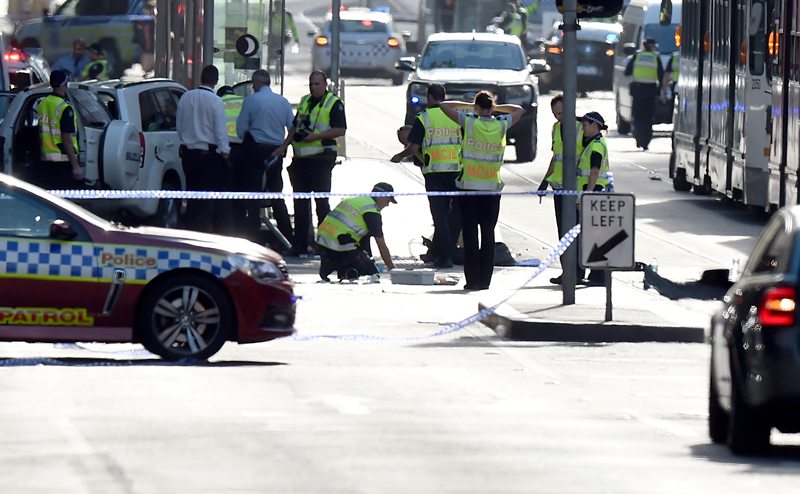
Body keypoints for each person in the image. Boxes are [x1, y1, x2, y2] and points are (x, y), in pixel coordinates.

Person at [439, 91, 523, 290]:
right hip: (491, 189)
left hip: (468, 188)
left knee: (469, 234)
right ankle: (485, 281)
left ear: (476, 107)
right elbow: (519, 109)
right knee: (488, 234)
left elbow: (444, 105)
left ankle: (472, 280)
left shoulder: (469, 122)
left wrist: (471, 106)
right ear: (492, 107)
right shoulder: (500, 124)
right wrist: (496, 107)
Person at [273, 70, 347, 258]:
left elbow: (340, 129)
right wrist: (284, 146)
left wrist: (317, 136)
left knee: (321, 204)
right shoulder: (305, 101)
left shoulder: (333, 103)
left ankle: (324, 245)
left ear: (325, 84)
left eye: (317, 84)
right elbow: (295, 127)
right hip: (301, 161)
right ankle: (300, 245)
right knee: (300, 204)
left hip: (321, 160)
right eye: (311, 84)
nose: (313, 87)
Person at [391, 83, 462, 269]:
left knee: (440, 217)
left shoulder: (424, 118)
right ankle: (440, 253)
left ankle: (444, 257)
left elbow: (413, 148)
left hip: (435, 174)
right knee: (452, 216)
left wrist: (399, 156)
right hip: (456, 171)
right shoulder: (455, 116)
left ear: (429, 97)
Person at [235, 69, 295, 243]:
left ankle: (252, 236)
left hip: (255, 150)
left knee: (253, 193)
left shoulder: (251, 100)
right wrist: (283, 146)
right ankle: (286, 235)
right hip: (276, 151)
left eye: (253, 83)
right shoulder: (282, 102)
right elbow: (293, 127)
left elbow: (240, 130)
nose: (253, 86)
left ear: (257, 82)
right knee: (276, 192)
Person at [176, 64, 232, 234]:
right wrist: (225, 152)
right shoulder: (216, 101)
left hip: (188, 153)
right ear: (215, 81)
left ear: (201, 78)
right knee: (207, 197)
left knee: (192, 194)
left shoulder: (186, 97)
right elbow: (220, 131)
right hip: (208, 155)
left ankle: (192, 229)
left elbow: (179, 125)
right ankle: (204, 232)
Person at [537, 94, 583, 285]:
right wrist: (545, 180)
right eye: (555, 114)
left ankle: (578, 272)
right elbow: (556, 157)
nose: (559, 117)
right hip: (559, 188)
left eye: (562, 113)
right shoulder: (556, 128)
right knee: (563, 232)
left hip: (576, 188)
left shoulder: (582, 127)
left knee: (577, 232)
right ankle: (567, 272)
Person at [317, 182, 398, 281]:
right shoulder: (371, 210)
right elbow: (381, 245)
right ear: (381, 196)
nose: (387, 205)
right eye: (388, 201)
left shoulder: (356, 199)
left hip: (323, 241)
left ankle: (332, 264)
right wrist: (393, 270)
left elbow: (364, 239)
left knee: (358, 257)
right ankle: (340, 265)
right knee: (373, 273)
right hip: (340, 244)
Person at [576, 111, 611, 286]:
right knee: (594, 234)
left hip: (594, 194)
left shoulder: (596, 145)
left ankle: (598, 276)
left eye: (585, 125)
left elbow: (595, 171)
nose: (582, 128)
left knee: (594, 235)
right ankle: (596, 274)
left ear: (595, 125)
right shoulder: (593, 143)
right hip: (596, 193)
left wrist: (586, 196)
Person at [36, 69, 83, 190]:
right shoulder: (64, 107)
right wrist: (76, 166)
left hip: (45, 160)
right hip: (62, 161)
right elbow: (66, 138)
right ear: (66, 83)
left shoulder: (43, 103)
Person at [624, 37, 663, 150]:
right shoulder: (656, 57)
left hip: (638, 90)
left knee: (637, 115)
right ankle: (645, 141)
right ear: (651, 47)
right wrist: (663, 91)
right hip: (651, 91)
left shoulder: (637, 56)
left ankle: (637, 135)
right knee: (649, 116)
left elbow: (627, 71)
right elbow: (661, 75)